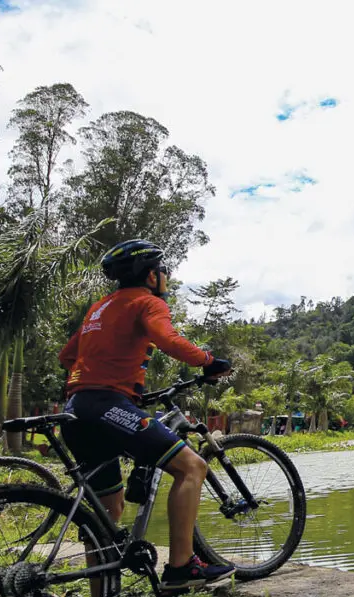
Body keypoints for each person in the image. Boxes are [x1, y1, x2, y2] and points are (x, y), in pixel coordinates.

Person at [58, 239, 236, 590]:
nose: (165, 277)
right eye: (163, 271)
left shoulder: (99, 308)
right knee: (192, 467)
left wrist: (112, 377)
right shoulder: (146, 302)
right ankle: (182, 568)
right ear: (151, 275)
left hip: (76, 410)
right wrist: (208, 361)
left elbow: (68, 356)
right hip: (106, 404)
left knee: (106, 514)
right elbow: (168, 340)